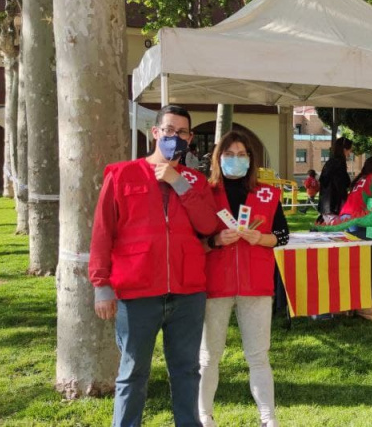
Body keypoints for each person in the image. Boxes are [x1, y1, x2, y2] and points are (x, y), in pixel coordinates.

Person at [89, 105, 221, 427]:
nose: (176, 137)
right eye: (170, 130)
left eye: (183, 132)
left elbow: (207, 225)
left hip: (187, 292)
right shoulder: (122, 174)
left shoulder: (195, 180)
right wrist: (101, 285)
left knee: (186, 371)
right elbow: (103, 231)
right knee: (133, 372)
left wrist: (178, 182)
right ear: (156, 133)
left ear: (190, 138)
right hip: (137, 292)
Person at [198, 131, 289, 427]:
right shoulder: (206, 193)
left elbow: (283, 237)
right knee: (209, 356)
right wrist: (216, 241)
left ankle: (268, 417)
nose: (235, 160)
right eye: (229, 154)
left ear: (251, 159)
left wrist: (260, 238)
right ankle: (205, 415)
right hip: (215, 285)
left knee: (259, 355)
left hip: (256, 285)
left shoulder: (267, 193)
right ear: (218, 158)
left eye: (241, 154)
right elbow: (194, 239)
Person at [317, 137, 352, 223]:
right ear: (344, 149)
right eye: (350, 150)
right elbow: (340, 185)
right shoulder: (339, 164)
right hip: (334, 206)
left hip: (326, 206)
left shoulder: (330, 163)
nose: (350, 153)